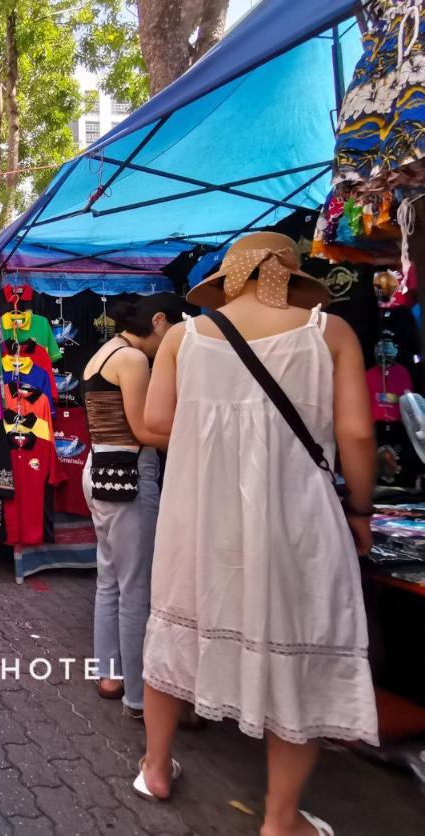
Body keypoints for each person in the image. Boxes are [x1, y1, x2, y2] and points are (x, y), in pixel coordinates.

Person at [136, 232, 377, 835]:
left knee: (176, 625)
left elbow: (157, 423)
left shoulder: (183, 339)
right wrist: (363, 510)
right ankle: (280, 817)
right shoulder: (330, 332)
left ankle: (157, 767)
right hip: (297, 518)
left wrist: (215, 439)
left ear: (227, 279)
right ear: (292, 276)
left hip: (199, 516)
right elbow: (357, 435)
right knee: (297, 645)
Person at [80, 293, 187, 720]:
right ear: (159, 322)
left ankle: (109, 673)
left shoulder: (103, 353)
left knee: (111, 579)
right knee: (136, 587)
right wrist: (197, 435)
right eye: (173, 332)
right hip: (127, 471)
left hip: (100, 466)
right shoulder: (133, 359)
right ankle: (140, 697)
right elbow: (143, 428)